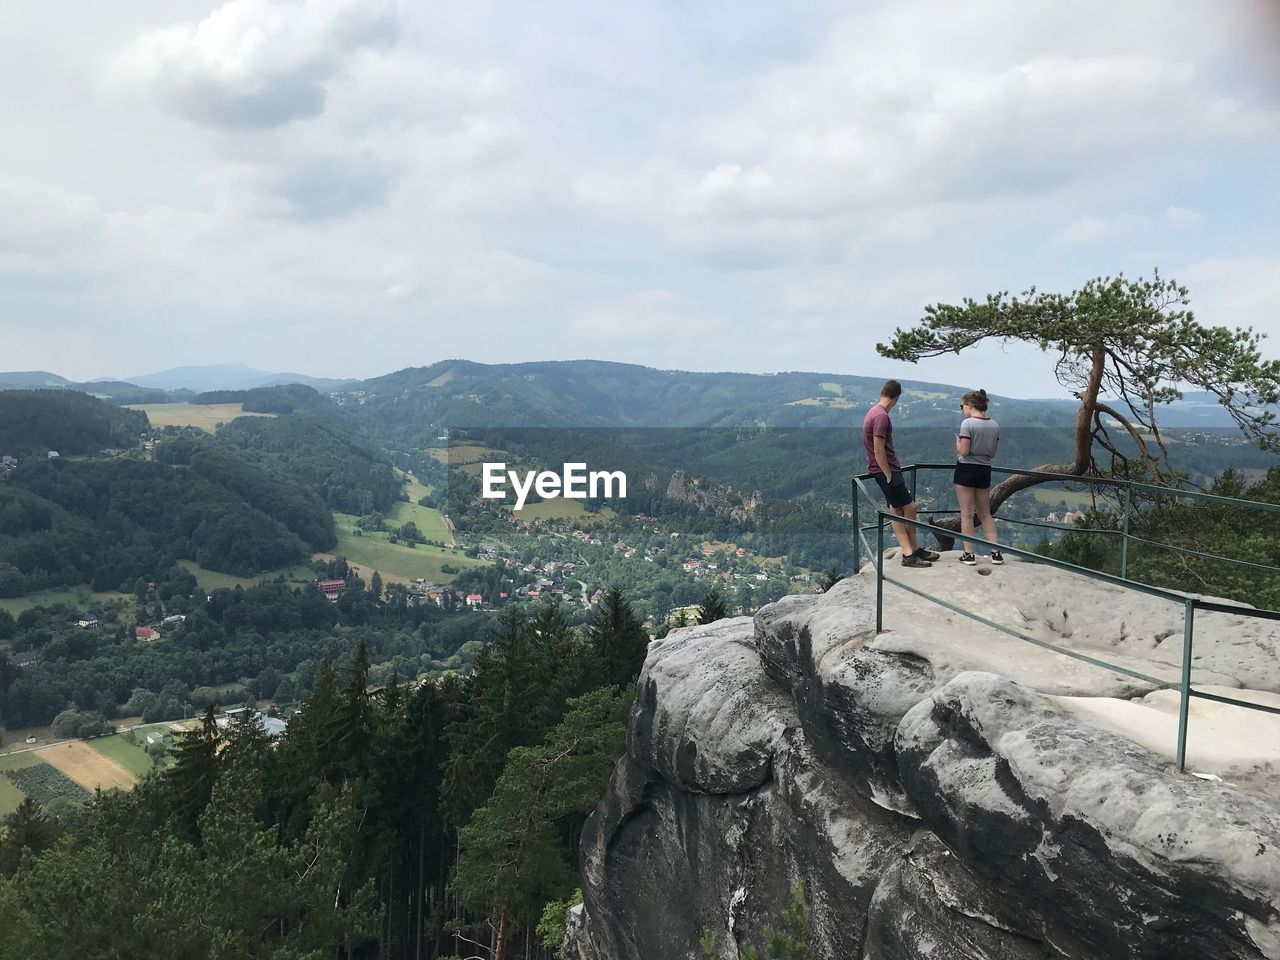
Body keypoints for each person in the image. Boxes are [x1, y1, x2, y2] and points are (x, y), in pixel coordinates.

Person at [863, 380, 938, 568]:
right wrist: (888, 474)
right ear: (896, 398)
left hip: (882, 470)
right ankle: (908, 553)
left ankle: (913, 549)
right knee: (910, 507)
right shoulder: (881, 417)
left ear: (882, 392)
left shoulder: (873, 412)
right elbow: (878, 449)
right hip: (886, 470)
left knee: (896, 510)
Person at [954, 388, 1004, 565]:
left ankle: (969, 554)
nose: (962, 410)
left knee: (967, 514)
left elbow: (965, 451)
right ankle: (996, 553)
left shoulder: (967, 424)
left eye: (962, 406)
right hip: (984, 470)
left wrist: (958, 443)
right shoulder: (995, 425)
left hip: (966, 469)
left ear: (969, 405)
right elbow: (992, 452)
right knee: (985, 514)